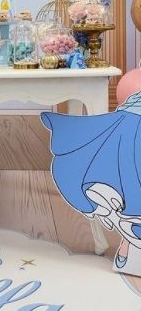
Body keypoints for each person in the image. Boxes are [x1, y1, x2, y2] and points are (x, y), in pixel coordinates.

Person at [40, 90, 141, 271]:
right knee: (126, 174)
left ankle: (129, 240)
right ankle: (128, 240)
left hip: (131, 120)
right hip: (132, 119)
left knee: (128, 175)